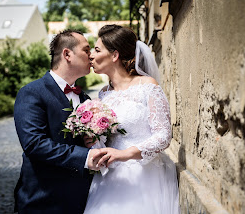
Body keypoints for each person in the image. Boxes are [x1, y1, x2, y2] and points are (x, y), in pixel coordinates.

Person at [84, 25, 180, 213]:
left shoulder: (147, 86)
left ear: (114, 55)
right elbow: (107, 141)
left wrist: (125, 154)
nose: (91, 56)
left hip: (143, 176)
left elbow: (163, 135)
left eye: (96, 50)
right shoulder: (103, 94)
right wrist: (93, 142)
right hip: (109, 178)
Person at [13, 30, 105, 213]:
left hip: (84, 200)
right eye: (86, 50)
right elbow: (34, 143)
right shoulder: (32, 92)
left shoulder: (86, 99)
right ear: (67, 54)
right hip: (44, 200)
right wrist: (85, 157)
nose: (91, 55)